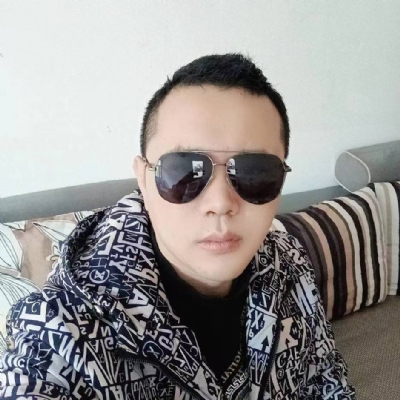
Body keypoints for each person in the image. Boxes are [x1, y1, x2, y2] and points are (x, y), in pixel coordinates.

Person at [0, 53, 356, 399]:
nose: (221, 203)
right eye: (184, 171)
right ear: (143, 178)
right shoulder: (61, 330)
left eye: (255, 172)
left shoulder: (288, 260)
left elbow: (327, 380)